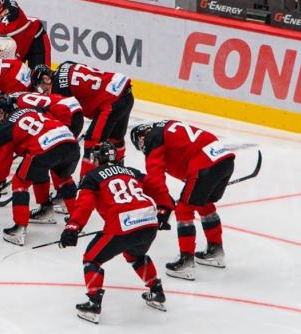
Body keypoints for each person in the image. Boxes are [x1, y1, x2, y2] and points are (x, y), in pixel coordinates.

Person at [59, 142, 166, 324]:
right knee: (136, 254)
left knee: (92, 258)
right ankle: (156, 291)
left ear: (96, 159)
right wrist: (166, 209)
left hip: (123, 223)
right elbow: (157, 187)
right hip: (149, 221)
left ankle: (93, 303)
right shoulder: (133, 172)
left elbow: (84, 205)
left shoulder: (91, 177)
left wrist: (73, 227)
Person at [130, 121, 236, 280]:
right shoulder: (167, 129)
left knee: (183, 209)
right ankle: (215, 251)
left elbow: (155, 177)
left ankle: (186, 262)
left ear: (141, 138)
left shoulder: (153, 138)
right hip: (225, 159)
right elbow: (185, 157)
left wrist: (163, 205)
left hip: (204, 164)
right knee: (204, 204)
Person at [0, 93, 80, 246]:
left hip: (43, 148)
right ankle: (75, 222)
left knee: (20, 182)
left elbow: (2, 161)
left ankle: (19, 229)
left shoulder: (5, 128)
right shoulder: (34, 109)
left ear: (1, 111)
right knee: (63, 178)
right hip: (69, 141)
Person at [32, 61, 133, 177]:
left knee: (91, 143)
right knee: (116, 138)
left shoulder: (58, 90)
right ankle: (120, 170)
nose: (42, 90)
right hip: (125, 93)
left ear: (46, 79)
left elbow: (76, 119)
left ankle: (86, 182)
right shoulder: (65, 64)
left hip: (110, 103)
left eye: (40, 86)